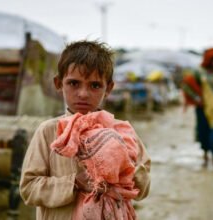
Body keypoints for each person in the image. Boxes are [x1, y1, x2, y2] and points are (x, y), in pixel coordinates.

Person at [19, 40, 151, 219]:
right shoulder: (48, 132)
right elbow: (29, 188)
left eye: (95, 85)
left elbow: (143, 184)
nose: (83, 93)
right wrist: (73, 183)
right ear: (59, 83)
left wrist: (124, 174)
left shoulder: (121, 132)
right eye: (74, 83)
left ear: (108, 88)